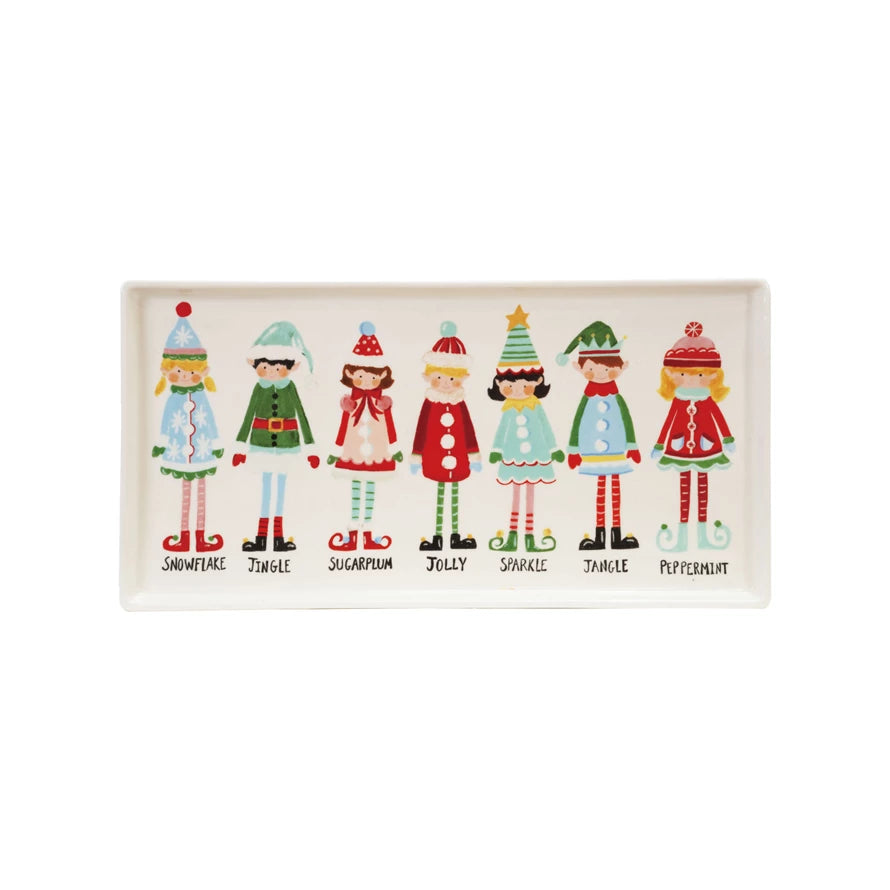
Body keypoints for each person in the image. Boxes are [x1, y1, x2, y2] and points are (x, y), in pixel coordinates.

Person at [232, 321, 318, 552]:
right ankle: (261, 539)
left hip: (287, 444)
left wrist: (310, 447)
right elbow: (249, 415)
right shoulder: (259, 388)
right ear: (255, 365)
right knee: (266, 489)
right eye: (265, 367)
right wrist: (240, 446)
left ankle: (278, 539)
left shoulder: (290, 388)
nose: (271, 371)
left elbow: (301, 415)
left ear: (291, 367)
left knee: (280, 490)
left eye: (278, 367)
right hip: (261, 444)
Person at [555, 320, 641, 550]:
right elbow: (577, 422)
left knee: (615, 490)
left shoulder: (616, 397)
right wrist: (574, 450)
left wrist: (632, 445)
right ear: (580, 368)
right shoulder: (587, 398)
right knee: (601, 491)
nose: (600, 374)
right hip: (593, 451)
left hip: (616, 449)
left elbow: (627, 420)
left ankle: (617, 536)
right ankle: (600, 537)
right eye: (592, 369)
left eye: (606, 369)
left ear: (620, 367)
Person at [487, 305, 563, 553]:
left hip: (535, 456)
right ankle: (512, 536)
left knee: (529, 492)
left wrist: (553, 449)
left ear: (537, 381)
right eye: (510, 386)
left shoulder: (535, 407)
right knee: (516, 493)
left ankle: (529, 536)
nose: (517, 390)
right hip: (513, 457)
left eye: (524, 384)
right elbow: (502, 431)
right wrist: (497, 450)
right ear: (500, 385)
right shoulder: (508, 409)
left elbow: (546, 428)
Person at [653, 321, 734, 552]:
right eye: (683, 374)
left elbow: (719, 419)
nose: (691, 379)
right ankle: (682, 536)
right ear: (671, 375)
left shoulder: (707, 399)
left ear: (711, 376)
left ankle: (702, 536)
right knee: (684, 487)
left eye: (699, 374)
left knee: (702, 486)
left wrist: (727, 439)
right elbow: (669, 421)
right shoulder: (678, 399)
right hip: (680, 447)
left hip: (706, 447)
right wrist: (660, 444)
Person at [152, 301, 224, 552]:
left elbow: (209, 420)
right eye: (179, 370)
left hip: (202, 450)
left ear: (201, 371)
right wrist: (161, 444)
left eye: (190, 371)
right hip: (178, 450)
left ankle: (200, 537)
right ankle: (184, 537)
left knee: (201, 490)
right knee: (186, 490)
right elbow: (165, 421)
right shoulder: (173, 398)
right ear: (168, 371)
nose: (184, 376)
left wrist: (215, 443)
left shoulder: (201, 396)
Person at [327, 322, 402, 551]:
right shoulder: (351, 403)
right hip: (353, 451)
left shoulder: (382, 404)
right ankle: (352, 535)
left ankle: (368, 534)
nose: (367, 381)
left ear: (382, 376)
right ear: (351, 374)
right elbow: (343, 427)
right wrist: (335, 450)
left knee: (370, 487)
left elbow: (390, 425)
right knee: (355, 487)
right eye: (361, 376)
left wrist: (395, 448)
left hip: (377, 452)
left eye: (372, 376)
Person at [410, 321, 481, 551]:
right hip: (434, 456)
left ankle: (455, 536)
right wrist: (417, 455)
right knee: (441, 493)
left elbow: (468, 430)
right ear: (430, 376)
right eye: (439, 378)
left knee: (455, 493)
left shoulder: (460, 403)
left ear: (461, 378)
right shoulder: (430, 403)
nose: (446, 384)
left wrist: (474, 454)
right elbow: (421, 429)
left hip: (458, 456)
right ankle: (438, 537)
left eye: (451, 379)